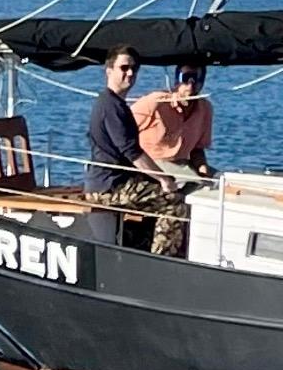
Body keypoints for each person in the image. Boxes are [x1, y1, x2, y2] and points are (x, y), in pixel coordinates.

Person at [129, 62, 215, 256]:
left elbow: (198, 149)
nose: (191, 86)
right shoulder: (155, 103)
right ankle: (164, 254)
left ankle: (200, 247)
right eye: (186, 79)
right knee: (187, 190)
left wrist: (203, 169)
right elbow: (122, 133)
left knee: (219, 185)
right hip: (149, 163)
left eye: (197, 80)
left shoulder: (205, 109)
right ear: (177, 80)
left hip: (181, 164)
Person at [85, 52, 164, 248]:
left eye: (134, 69)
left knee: (161, 193)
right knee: (174, 202)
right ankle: (164, 258)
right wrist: (163, 179)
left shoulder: (116, 104)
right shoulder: (110, 106)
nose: (130, 73)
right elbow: (131, 151)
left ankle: (140, 246)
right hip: (108, 187)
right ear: (109, 71)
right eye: (124, 68)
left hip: (118, 182)